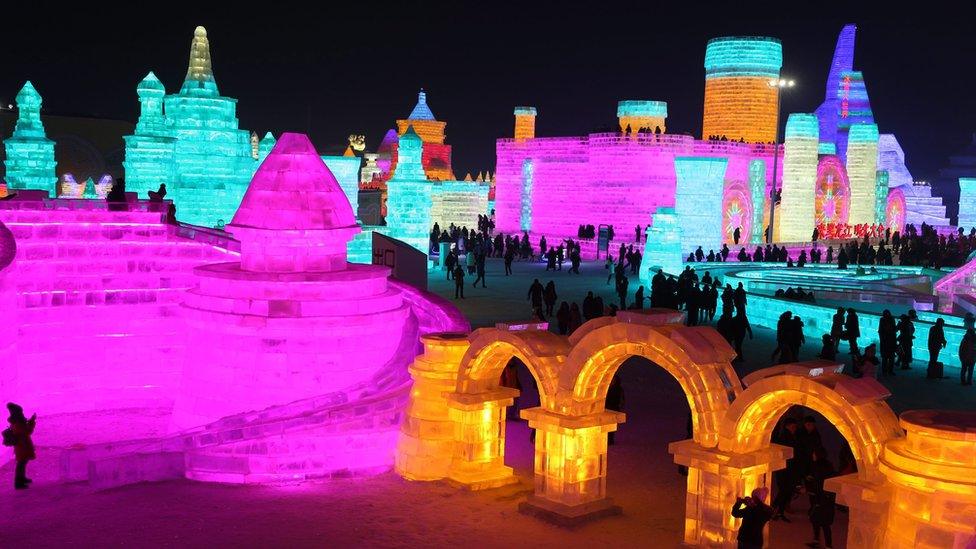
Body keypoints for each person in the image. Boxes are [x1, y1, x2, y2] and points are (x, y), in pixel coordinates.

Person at [806, 447, 836, 548]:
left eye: (814, 454)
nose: (812, 455)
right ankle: (826, 544)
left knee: (819, 520)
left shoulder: (816, 467)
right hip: (827, 498)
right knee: (823, 522)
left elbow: (817, 483)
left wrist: (810, 490)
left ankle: (822, 542)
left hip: (820, 498)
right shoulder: (829, 466)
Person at [5, 403, 36, 489]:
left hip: (22, 445)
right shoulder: (18, 422)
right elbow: (27, 431)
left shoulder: (16, 421)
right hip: (22, 445)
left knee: (23, 462)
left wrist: (30, 422)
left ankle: (22, 478)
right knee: (21, 463)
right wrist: (32, 422)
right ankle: (18, 483)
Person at [605, 372, 624, 445]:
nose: (612, 381)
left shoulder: (618, 389)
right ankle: (608, 440)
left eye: (613, 380)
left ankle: (610, 441)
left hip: (613, 409)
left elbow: (621, 399)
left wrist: (619, 407)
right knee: (607, 426)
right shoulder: (609, 388)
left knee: (611, 426)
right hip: (608, 409)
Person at [878, 310, 898, 376]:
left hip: (886, 342)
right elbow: (893, 330)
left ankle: (886, 371)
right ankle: (889, 371)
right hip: (889, 342)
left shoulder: (882, 320)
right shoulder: (890, 320)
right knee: (889, 358)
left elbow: (881, 331)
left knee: (886, 358)